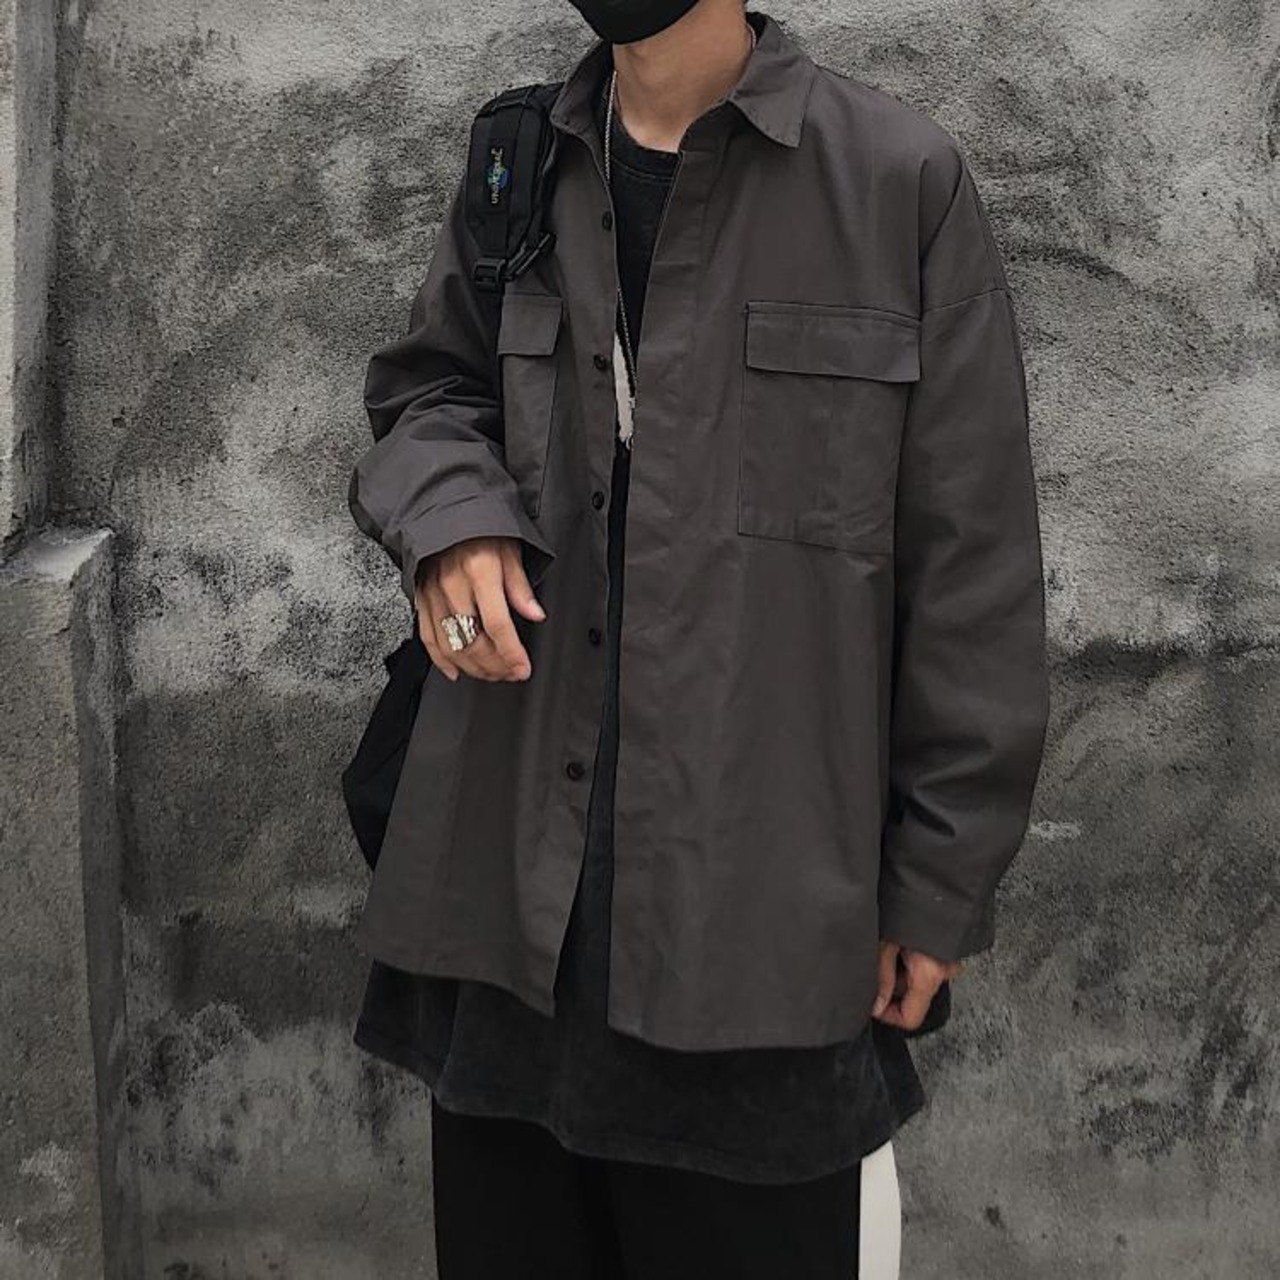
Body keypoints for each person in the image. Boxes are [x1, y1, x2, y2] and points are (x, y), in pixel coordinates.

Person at [346, 2, 1050, 1276]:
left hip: (763, 945)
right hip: (511, 927)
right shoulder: (519, 165)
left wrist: (937, 882)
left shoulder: (897, 184)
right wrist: (449, 525)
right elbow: (429, 388)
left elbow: (972, 570)